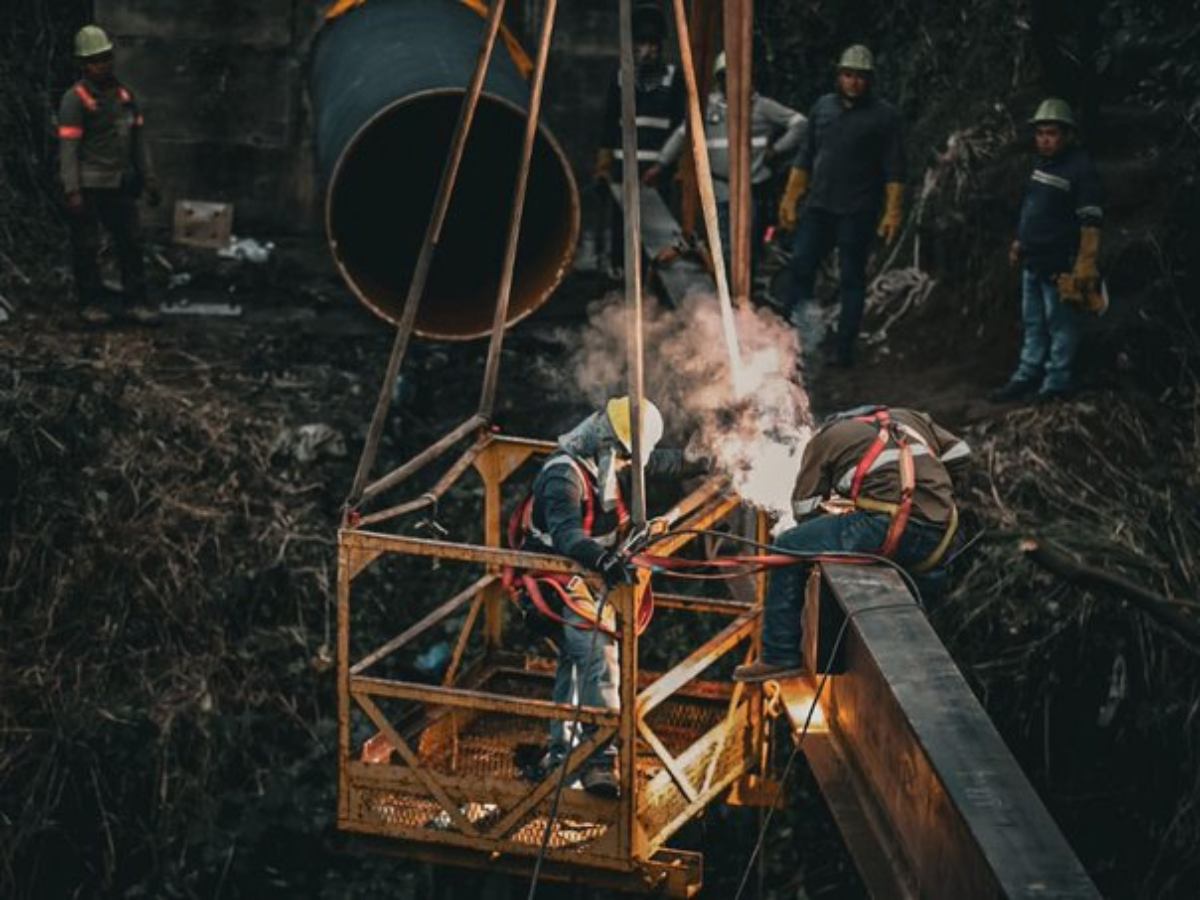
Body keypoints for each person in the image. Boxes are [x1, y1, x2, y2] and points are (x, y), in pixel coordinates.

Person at [514, 397, 695, 796]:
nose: (630, 462)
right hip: (556, 576)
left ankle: (563, 752)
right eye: (627, 454)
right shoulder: (563, 477)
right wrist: (602, 560)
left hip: (588, 574)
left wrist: (705, 461)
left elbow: (654, 463)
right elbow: (567, 536)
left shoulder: (606, 459)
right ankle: (600, 761)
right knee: (596, 652)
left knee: (576, 661)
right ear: (610, 443)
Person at [733, 405, 970, 683]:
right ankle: (931, 663)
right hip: (942, 530)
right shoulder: (911, 418)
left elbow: (804, 509)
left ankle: (779, 655)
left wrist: (831, 524)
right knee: (924, 598)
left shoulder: (824, 439)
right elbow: (960, 454)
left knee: (789, 545)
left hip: (884, 524)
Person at [777, 44, 905, 369]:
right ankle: (793, 342)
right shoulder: (823, 108)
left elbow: (894, 167)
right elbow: (806, 155)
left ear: (870, 80)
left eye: (860, 77)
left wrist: (892, 210)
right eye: (848, 75)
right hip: (819, 205)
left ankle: (843, 350)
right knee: (801, 266)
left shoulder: (884, 116)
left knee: (851, 279)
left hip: (857, 209)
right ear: (839, 76)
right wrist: (791, 197)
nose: (853, 82)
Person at [648, 50, 806, 280]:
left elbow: (800, 124)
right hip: (719, 187)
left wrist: (777, 149)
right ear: (719, 79)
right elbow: (683, 134)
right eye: (725, 77)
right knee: (721, 245)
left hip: (751, 188)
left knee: (746, 245)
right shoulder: (708, 107)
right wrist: (661, 164)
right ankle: (724, 288)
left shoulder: (762, 106)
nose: (732, 82)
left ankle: (743, 288)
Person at [989, 99, 1105, 404]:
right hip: (1033, 259)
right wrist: (1019, 242)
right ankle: (1027, 374)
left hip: (1060, 263)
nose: (1044, 140)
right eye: (1040, 134)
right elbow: (1032, 209)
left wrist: (1086, 262)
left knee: (1060, 324)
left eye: (1051, 133)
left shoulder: (1081, 170)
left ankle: (1056, 382)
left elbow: (1091, 220)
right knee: (1033, 322)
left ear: (1068, 134)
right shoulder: (1041, 165)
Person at [58, 25, 161, 326]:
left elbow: (138, 142)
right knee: (87, 245)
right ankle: (91, 303)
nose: (101, 65)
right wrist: (72, 189)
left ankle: (135, 302)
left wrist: (150, 178)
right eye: (94, 60)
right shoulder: (75, 100)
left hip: (120, 183)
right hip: (90, 184)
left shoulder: (125, 97)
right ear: (82, 64)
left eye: (105, 58)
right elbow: (68, 149)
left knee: (131, 242)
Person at [594, 3, 686, 279]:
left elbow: (682, 127)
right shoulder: (621, 77)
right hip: (624, 172)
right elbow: (609, 123)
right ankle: (621, 281)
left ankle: (654, 284)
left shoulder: (673, 79)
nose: (645, 50)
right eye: (640, 43)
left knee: (658, 235)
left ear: (660, 46)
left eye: (651, 44)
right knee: (623, 232)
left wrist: (674, 166)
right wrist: (604, 164)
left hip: (658, 173)